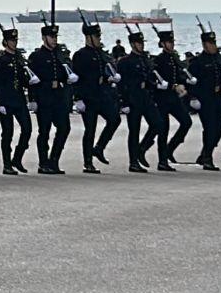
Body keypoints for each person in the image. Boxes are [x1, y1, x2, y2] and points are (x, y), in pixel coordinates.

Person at [72, 16, 121, 174]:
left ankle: (99, 148)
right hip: (88, 97)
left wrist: (109, 78)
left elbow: (104, 71)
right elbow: (76, 79)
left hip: (102, 95)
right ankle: (88, 162)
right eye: (96, 36)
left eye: (99, 36)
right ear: (88, 37)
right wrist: (78, 98)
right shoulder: (80, 55)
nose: (99, 39)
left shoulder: (101, 54)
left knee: (115, 119)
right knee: (90, 129)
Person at [28, 19, 75, 175]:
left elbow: (65, 71)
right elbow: (32, 81)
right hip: (44, 97)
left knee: (64, 128)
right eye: (51, 37)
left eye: (55, 37)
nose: (54, 39)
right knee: (44, 132)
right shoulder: (37, 56)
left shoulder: (60, 55)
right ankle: (43, 163)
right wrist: (32, 99)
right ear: (44, 38)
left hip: (59, 98)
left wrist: (68, 79)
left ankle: (54, 159)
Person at [116, 26, 163, 173]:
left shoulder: (146, 59)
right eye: (138, 43)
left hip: (146, 97)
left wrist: (155, 84)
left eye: (142, 43)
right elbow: (121, 83)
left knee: (158, 124)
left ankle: (142, 148)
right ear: (132, 44)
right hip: (133, 98)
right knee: (134, 130)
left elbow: (150, 76)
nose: (141, 45)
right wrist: (123, 102)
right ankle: (133, 161)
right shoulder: (125, 61)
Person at [0, 21, 33, 175]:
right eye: (12, 40)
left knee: (27, 129)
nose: (14, 43)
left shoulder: (19, 60)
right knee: (7, 133)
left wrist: (30, 83)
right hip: (6, 101)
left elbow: (23, 79)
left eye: (16, 40)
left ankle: (17, 158)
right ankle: (7, 164)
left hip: (19, 99)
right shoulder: (0, 60)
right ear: (5, 42)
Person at [188, 23, 221, 170]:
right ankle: (207, 157)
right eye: (211, 43)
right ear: (204, 44)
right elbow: (190, 82)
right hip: (205, 98)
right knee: (210, 128)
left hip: (217, 96)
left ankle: (205, 152)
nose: (213, 46)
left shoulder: (218, 59)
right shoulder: (198, 62)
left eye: (214, 43)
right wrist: (192, 98)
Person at [152, 28, 193, 168]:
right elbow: (156, 80)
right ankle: (162, 160)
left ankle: (170, 148)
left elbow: (179, 74)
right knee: (163, 129)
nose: (172, 44)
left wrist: (184, 83)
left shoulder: (174, 57)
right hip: (163, 98)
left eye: (172, 42)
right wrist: (172, 86)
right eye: (169, 42)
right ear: (162, 44)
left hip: (174, 98)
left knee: (186, 122)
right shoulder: (159, 60)